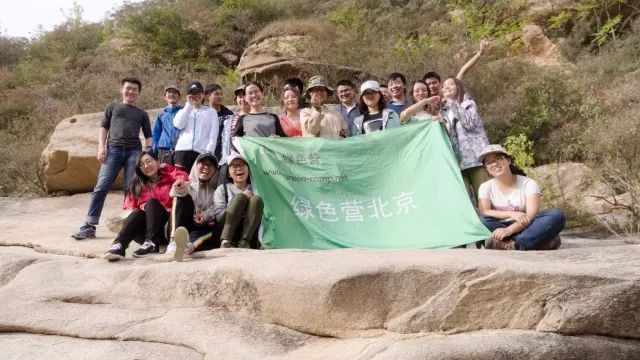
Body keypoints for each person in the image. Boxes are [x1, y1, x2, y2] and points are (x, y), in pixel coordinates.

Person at [71, 77, 152, 240]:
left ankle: (128, 226)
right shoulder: (112, 107)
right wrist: (101, 147)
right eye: (128, 88)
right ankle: (89, 225)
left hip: (134, 152)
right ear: (122, 90)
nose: (131, 92)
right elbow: (104, 128)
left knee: (131, 189)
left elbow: (148, 135)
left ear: (139, 93)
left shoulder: (142, 113)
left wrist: (147, 152)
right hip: (113, 150)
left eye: (134, 89)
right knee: (101, 186)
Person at [477, 144, 565, 251]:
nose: (494, 164)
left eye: (498, 159)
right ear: (486, 169)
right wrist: (511, 214)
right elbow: (485, 211)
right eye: (489, 163)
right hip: (502, 224)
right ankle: (537, 241)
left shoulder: (528, 184)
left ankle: (513, 244)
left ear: (508, 160)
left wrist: (509, 230)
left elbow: (530, 216)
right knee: (482, 221)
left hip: (527, 225)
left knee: (556, 215)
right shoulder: (485, 187)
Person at [104, 150, 188, 260]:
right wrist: (143, 207)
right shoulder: (136, 187)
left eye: (148, 161)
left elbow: (184, 177)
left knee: (151, 203)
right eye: (141, 165)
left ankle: (152, 244)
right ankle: (119, 245)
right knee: (139, 212)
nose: (146, 166)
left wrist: (166, 167)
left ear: (158, 162)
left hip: (167, 227)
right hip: (143, 232)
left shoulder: (169, 178)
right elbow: (128, 210)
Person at [440, 76, 490, 198]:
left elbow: (469, 123)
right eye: (444, 85)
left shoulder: (468, 104)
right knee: (466, 200)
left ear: (459, 87)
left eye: (451, 84)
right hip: (458, 163)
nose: (446, 87)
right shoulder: (444, 111)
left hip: (476, 160)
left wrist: (452, 102)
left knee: (484, 197)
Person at [169, 152, 219, 261]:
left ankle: (188, 247)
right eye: (203, 163)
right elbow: (173, 194)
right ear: (196, 166)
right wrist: (178, 188)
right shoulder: (187, 185)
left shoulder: (215, 191)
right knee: (181, 198)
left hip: (199, 228)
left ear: (215, 171)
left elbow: (214, 209)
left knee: (212, 230)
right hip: (183, 224)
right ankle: (174, 242)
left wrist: (205, 215)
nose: (206, 167)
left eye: (210, 165)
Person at [213, 153, 263, 249]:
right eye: (234, 166)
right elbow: (219, 216)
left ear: (248, 170)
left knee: (256, 200)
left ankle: (244, 241)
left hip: (248, 232)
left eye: (242, 165)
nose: (239, 168)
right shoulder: (222, 189)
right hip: (225, 230)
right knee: (240, 198)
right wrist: (241, 200)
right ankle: (226, 241)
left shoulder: (256, 189)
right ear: (228, 173)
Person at [173, 81, 219, 173]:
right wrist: (188, 106)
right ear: (187, 96)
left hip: (201, 152)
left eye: (198, 93)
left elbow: (213, 134)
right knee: (180, 180)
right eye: (192, 94)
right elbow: (178, 125)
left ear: (203, 95)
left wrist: (208, 152)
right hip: (182, 151)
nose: (195, 96)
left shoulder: (210, 112)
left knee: (198, 180)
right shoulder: (183, 111)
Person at [218, 84, 250, 186]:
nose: (243, 99)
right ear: (236, 99)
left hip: (251, 161)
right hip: (231, 160)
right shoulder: (229, 120)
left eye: (246, 96)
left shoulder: (258, 118)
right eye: (240, 96)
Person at [151, 85, 182, 165]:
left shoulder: (183, 113)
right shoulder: (161, 115)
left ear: (179, 97)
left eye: (175, 92)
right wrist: (154, 152)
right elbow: (155, 134)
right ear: (165, 97)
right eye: (169, 92)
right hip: (163, 150)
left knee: (180, 175)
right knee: (164, 176)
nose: (172, 94)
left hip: (180, 150)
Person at [205, 83, 234, 162]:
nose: (220, 96)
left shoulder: (228, 114)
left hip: (224, 152)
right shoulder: (204, 113)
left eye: (221, 94)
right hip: (206, 151)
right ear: (208, 96)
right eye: (216, 94)